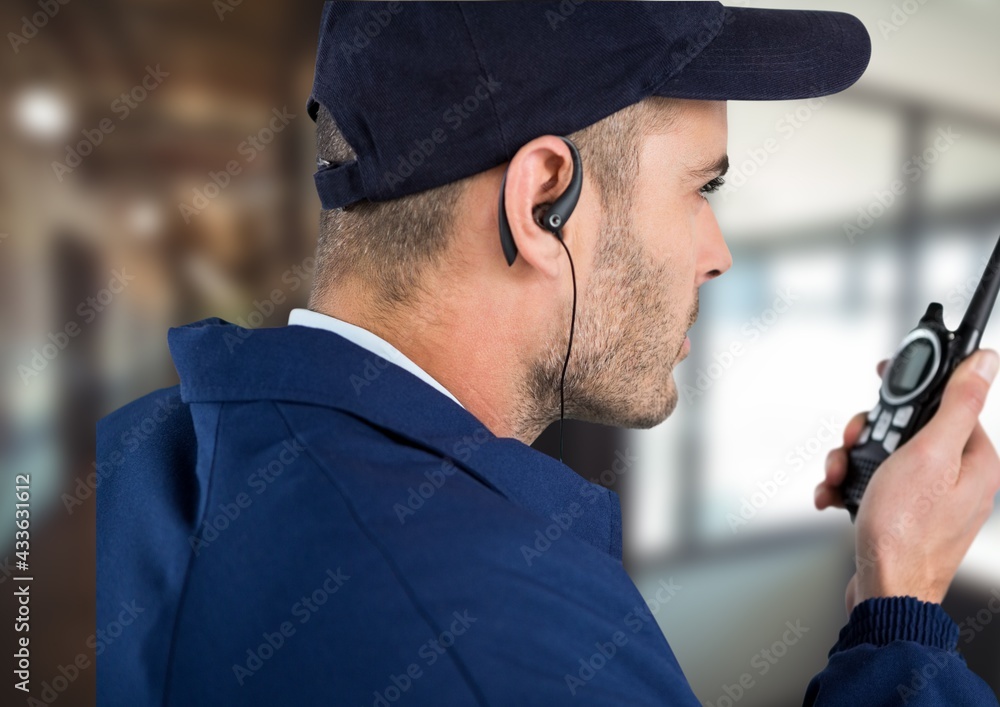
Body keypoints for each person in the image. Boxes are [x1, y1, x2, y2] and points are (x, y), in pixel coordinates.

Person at [97, 2, 1000, 705]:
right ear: (544, 202)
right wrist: (905, 607)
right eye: (701, 188)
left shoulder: (131, 463)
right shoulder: (515, 644)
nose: (717, 250)